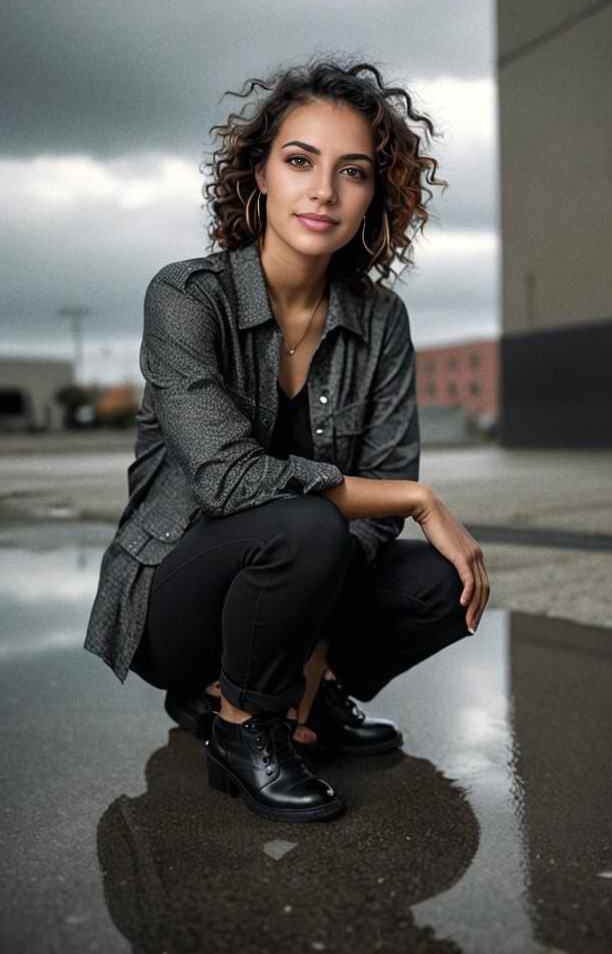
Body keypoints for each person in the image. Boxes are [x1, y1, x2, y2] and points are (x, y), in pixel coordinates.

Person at [84, 57, 491, 823]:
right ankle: (244, 728)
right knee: (304, 521)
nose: (324, 191)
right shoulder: (185, 297)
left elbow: (376, 499)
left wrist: (316, 637)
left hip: (298, 573)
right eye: (300, 161)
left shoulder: (381, 322)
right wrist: (418, 497)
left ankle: (301, 685)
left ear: (375, 195)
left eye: (354, 172)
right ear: (260, 174)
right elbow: (230, 482)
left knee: (444, 581)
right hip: (176, 595)